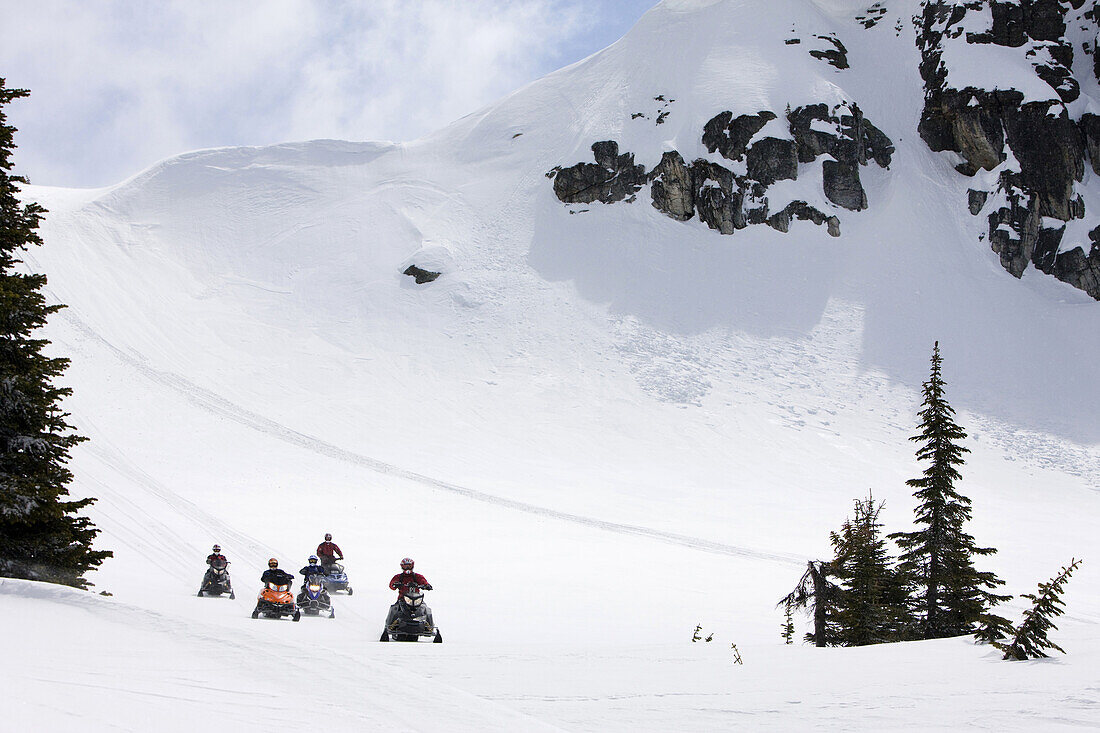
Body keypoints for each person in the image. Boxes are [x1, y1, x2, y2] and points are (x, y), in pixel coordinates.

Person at [385, 557, 433, 631]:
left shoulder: (417, 576)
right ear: (402, 567)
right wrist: (395, 584)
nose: (407, 568)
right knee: (394, 608)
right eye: (405, 566)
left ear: (412, 566)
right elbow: (392, 584)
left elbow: (423, 581)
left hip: (416, 599)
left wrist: (426, 585)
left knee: (426, 609)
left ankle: (429, 626)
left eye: (409, 566)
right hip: (403, 599)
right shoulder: (399, 577)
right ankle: (389, 626)